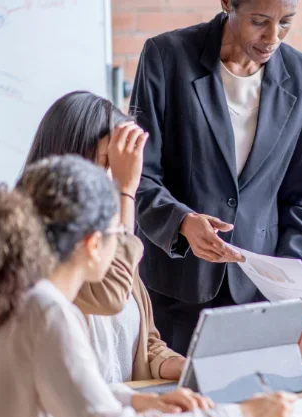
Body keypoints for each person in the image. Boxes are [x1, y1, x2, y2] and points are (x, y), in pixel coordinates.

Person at [0, 155, 294, 417]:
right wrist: (243, 416)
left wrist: (135, 399)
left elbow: (66, 391)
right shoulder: (46, 312)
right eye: (118, 234)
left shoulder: (9, 297)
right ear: (93, 245)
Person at [130, 0, 302, 354]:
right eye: (260, 20)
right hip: (178, 288)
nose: (273, 37)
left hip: (260, 294)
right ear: (226, 0)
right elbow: (139, 175)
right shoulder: (166, 58)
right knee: (179, 409)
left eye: (287, 22)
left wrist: (292, 282)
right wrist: (182, 222)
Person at [24, 90, 183, 382]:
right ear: (69, 159)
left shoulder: (104, 230)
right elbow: (110, 297)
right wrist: (126, 189)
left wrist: (180, 366)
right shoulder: (35, 240)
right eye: (106, 163)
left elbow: (145, 340)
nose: (111, 177)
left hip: (120, 406)